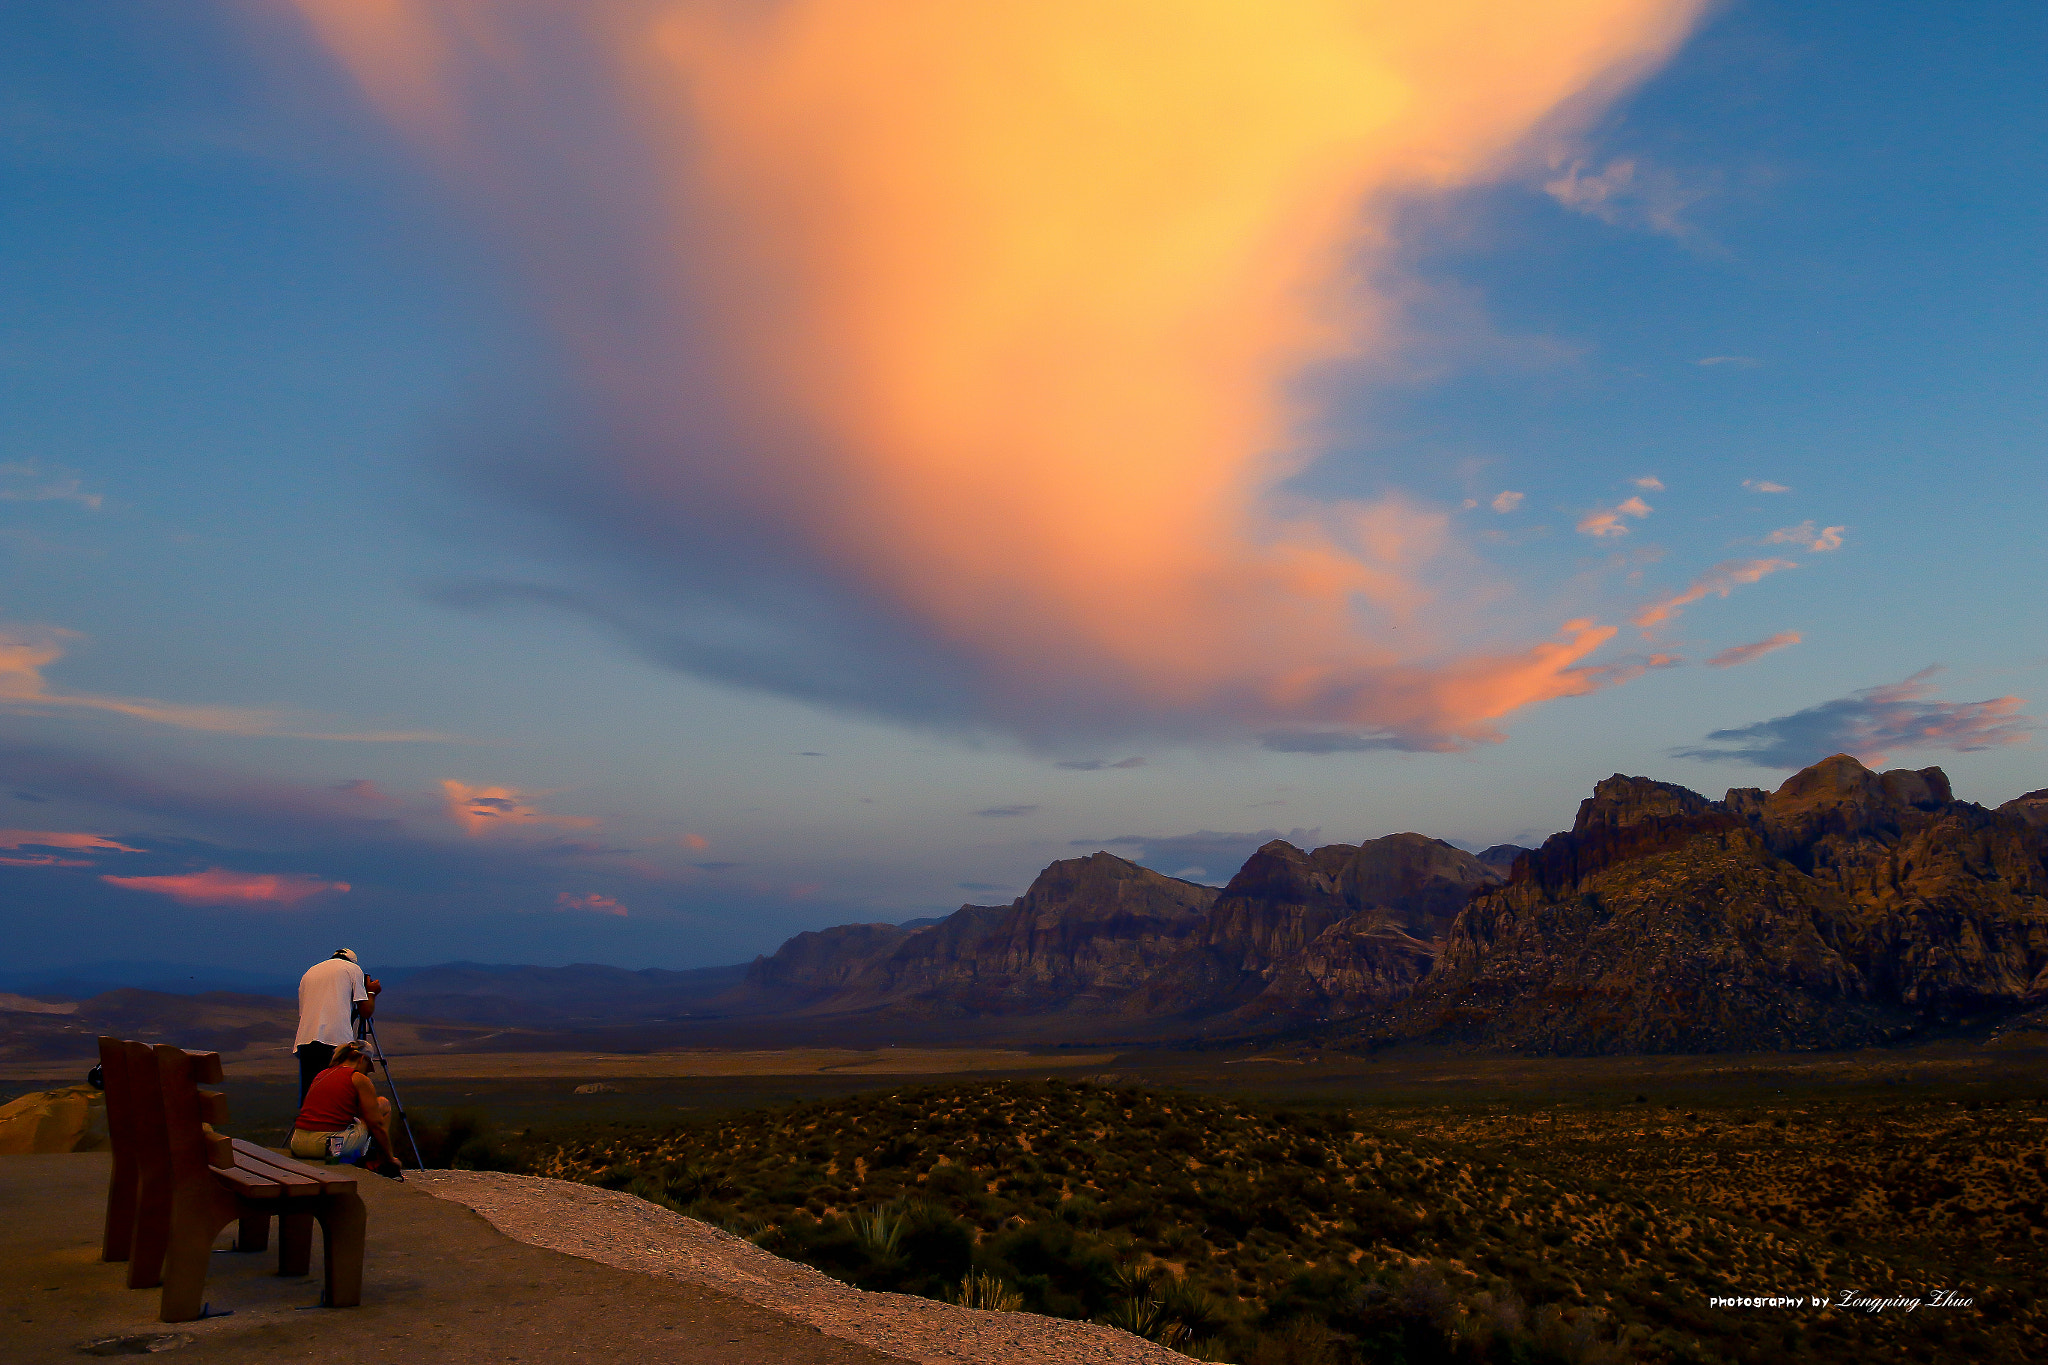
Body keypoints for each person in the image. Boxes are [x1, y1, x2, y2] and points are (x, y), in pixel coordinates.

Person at [290, 1041, 402, 1176]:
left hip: (298, 1143)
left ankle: (341, 1159)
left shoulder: (322, 1074)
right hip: (326, 1147)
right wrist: (391, 1159)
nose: (366, 1073)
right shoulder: (358, 1078)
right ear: (362, 1059)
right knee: (383, 1104)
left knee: (352, 1122)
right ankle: (382, 1161)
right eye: (367, 1067)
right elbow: (376, 1124)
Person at [293, 948, 381, 1103]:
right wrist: (371, 992)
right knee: (337, 1093)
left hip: (305, 1040)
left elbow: (303, 1012)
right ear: (353, 961)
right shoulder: (353, 969)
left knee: (311, 1095)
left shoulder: (310, 972)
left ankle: (308, 1125)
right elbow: (366, 1011)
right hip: (335, 1041)